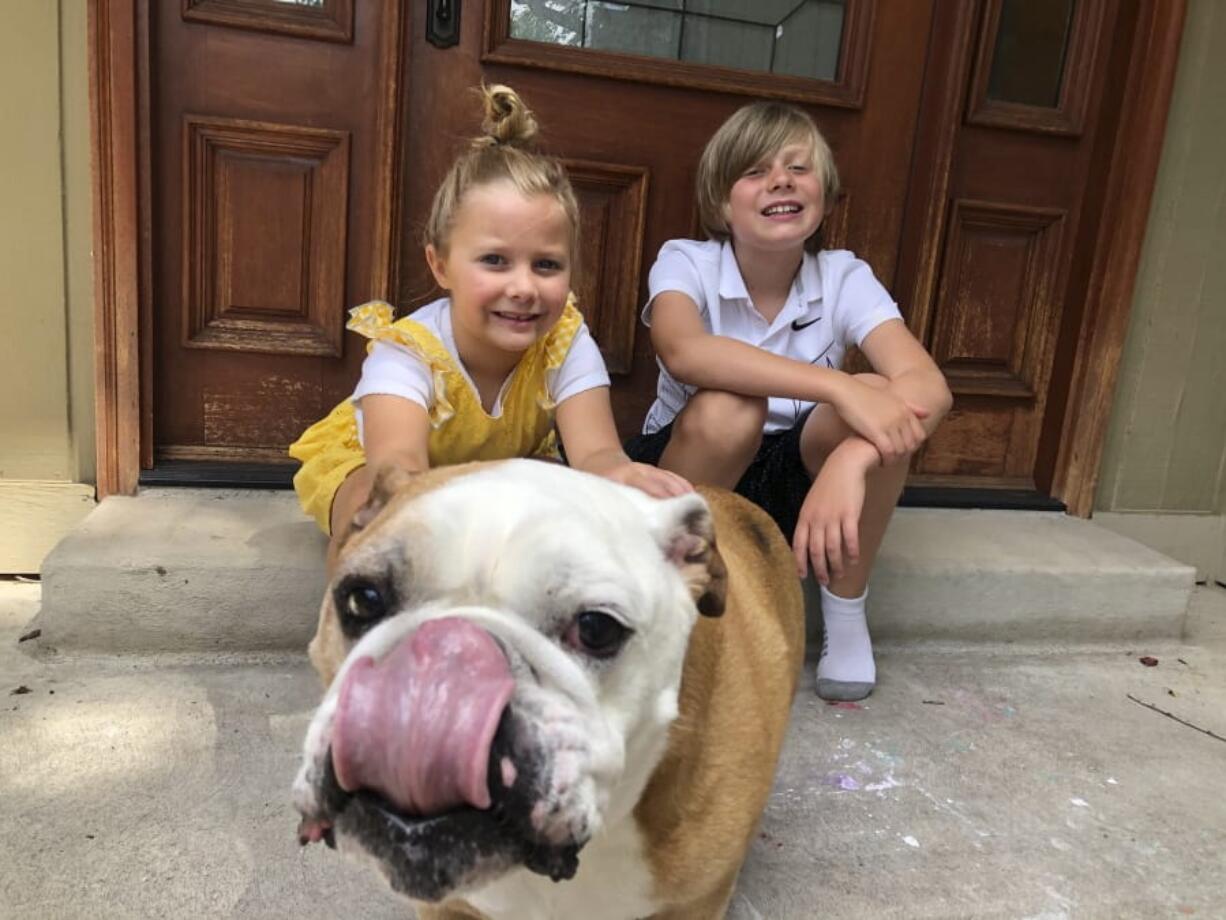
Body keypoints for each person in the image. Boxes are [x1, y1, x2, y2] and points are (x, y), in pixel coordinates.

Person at [625, 102, 952, 702]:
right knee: (734, 406)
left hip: (797, 483)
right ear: (722, 203)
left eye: (798, 167)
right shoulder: (687, 261)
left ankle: (846, 611)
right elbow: (684, 351)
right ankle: (661, 599)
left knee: (887, 400)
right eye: (755, 171)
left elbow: (929, 387)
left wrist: (853, 459)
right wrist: (837, 385)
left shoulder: (842, 276)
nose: (780, 179)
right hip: (693, 468)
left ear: (824, 197)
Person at [290, 84, 690, 569]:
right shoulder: (408, 353)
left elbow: (596, 452)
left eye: (546, 265)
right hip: (388, 465)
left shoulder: (564, 340)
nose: (523, 287)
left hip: (506, 461)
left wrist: (618, 474)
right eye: (495, 261)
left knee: (562, 492)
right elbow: (399, 469)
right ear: (441, 267)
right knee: (371, 510)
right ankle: (356, 636)